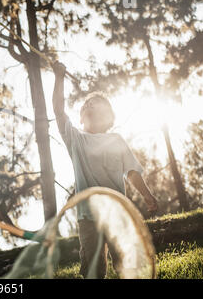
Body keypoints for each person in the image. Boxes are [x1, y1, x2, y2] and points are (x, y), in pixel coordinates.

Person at [51, 61, 158, 279]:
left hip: (118, 213)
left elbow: (132, 172)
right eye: (86, 103)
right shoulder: (76, 140)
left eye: (96, 102)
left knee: (125, 262)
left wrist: (146, 194)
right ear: (80, 117)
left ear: (109, 116)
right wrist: (59, 77)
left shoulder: (116, 140)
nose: (89, 104)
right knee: (93, 269)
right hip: (88, 218)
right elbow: (58, 110)